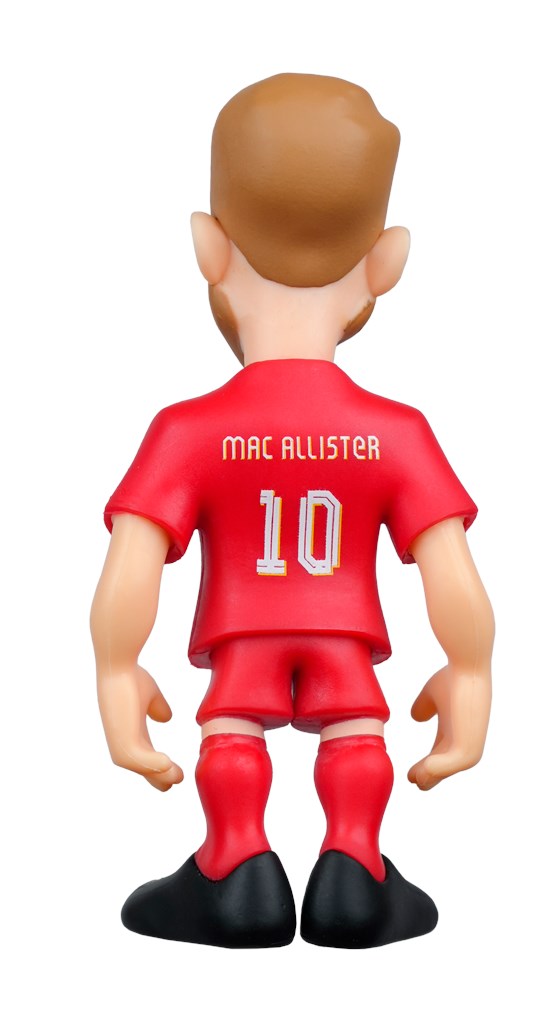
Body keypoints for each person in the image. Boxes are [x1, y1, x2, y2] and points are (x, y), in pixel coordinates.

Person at [91, 73, 494, 949]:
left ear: (208, 248)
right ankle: (355, 866)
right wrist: (470, 668)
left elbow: (131, 557)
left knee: (231, 728)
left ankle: (236, 865)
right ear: (386, 264)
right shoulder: (396, 432)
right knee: (357, 729)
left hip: (242, 634)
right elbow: (449, 567)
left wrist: (117, 667)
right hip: (344, 635)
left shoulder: (187, 430)